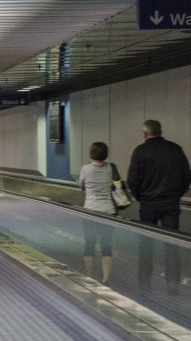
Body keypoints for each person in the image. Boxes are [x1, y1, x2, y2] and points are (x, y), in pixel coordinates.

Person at [127, 119, 191, 283]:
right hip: (170, 204)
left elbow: (132, 180)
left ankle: (145, 280)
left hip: (148, 204)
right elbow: (186, 176)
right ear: (160, 132)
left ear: (145, 133)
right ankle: (172, 283)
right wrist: (176, 195)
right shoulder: (175, 150)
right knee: (172, 245)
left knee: (146, 244)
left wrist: (140, 197)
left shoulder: (140, 151)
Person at [78, 142, 116, 283]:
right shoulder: (111, 168)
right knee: (106, 245)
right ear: (105, 153)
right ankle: (106, 278)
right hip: (108, 210)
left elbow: (82, 186)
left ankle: (90, 275)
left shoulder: (85, 169)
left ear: (91, 153)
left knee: (89, 243)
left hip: (90, 210)